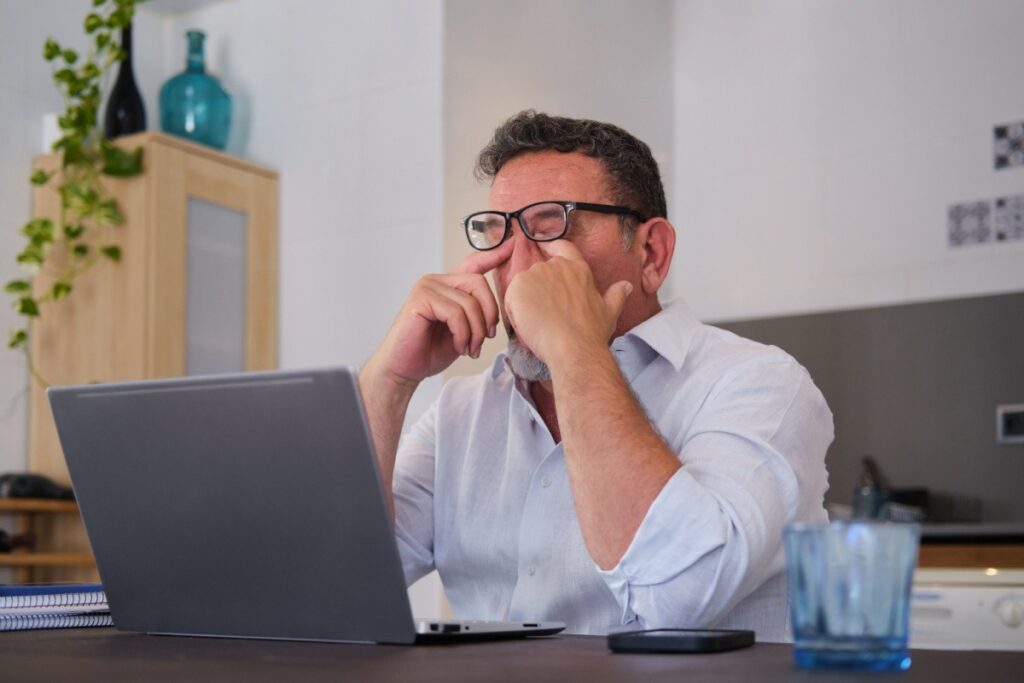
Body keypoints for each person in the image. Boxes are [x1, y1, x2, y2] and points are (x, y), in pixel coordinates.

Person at [359, 111, 832, 640]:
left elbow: (681, 598)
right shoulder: (458, 414)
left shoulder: (760, 384)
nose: (518, 270)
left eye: (552, 224)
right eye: (499, 232)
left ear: (651, 254)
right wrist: (387, 383)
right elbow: (333, 590)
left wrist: (573, 348)